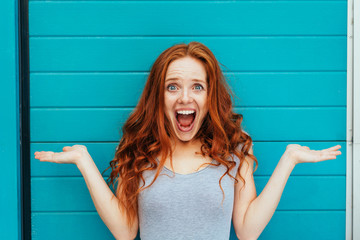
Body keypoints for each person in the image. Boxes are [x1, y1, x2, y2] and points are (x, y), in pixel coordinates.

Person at [34, 41, 342, 240]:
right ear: (159, 96)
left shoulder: (234, 153)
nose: (185, 97)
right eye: (172, 87)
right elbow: (125, 231)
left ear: (210, 96)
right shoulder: (139, 152)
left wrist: (288, 161)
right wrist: (84, 162)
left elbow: (247, 231)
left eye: (197, 87)